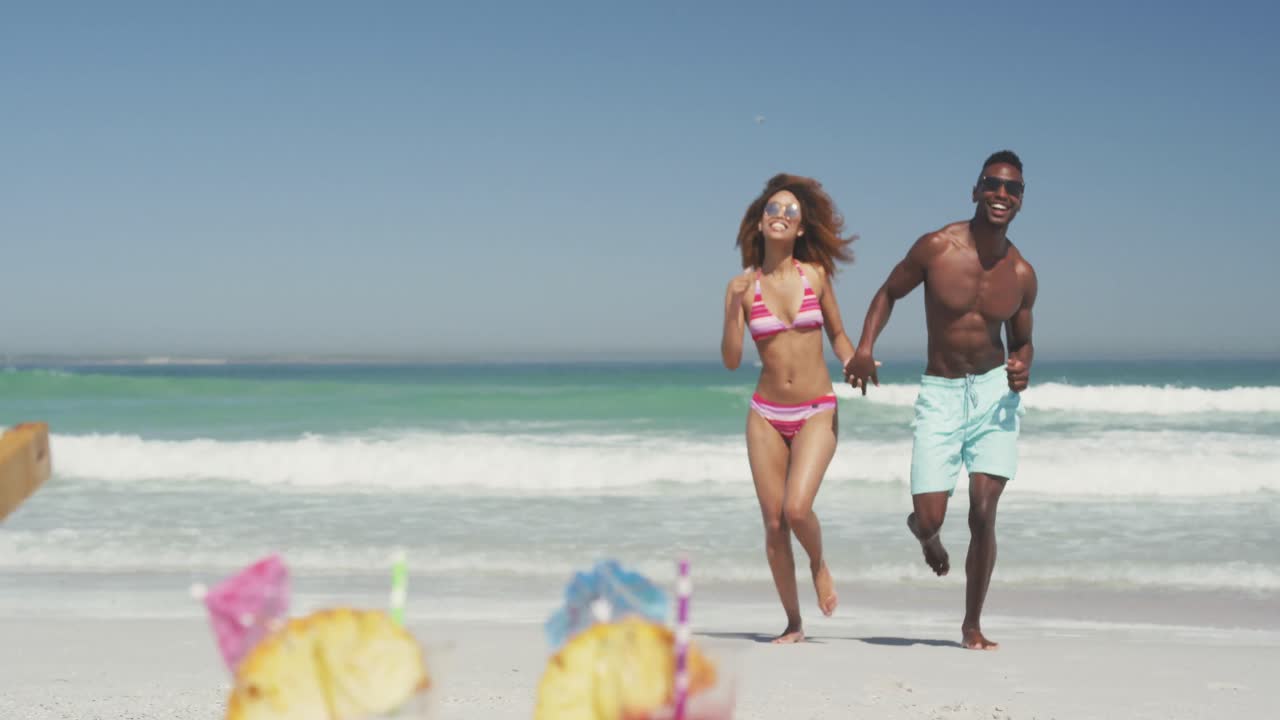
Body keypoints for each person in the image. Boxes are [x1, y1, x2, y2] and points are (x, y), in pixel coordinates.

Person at [844, 150, 1038, 650]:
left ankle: (972, 625)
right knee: (929, 516)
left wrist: (1022, 366)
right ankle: (926, 536)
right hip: (942, 391)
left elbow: (1022, 342)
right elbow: (889, 292)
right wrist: (864, 348)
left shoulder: (1021, 274)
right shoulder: (937, 247)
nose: (1001, 194)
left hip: (992, 394)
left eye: (1012, 188)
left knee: (983, 510)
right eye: (993, 184)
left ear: (1021, 200)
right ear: (976, 191)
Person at [720, 173, 860, 644]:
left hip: (817, 408)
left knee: (798, 509)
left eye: (790, 211)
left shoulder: (814, 275)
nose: (780, 215)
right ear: (760, 223)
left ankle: (818, 565)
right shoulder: (743, 286)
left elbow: (838, 335)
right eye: (772, 209)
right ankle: (794, 623)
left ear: (800, 229)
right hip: (765, 413)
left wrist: (853, 361)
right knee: (775, 522)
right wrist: (732, 308)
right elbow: (732, 360)